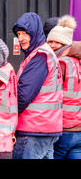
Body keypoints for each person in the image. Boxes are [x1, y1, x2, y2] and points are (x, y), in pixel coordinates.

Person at [12, 12, 62, 159]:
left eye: (24, 33)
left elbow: (23, 95)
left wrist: (8, 116)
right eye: (19, 34)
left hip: (33, 129)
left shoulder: (39, 56)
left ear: (33, 32)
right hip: (46, 128)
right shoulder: (44, 54)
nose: (20, 38)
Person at [46, 15, 81, 159]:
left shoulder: (60, 63)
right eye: (50, 41)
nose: (53, 45)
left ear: (65, 44)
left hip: (63, 127)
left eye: (57, 43)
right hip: (78, 129)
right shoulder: (77, 62)